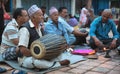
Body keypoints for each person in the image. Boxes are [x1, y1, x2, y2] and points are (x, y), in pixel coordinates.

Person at [18, 5, 70, 69]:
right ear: (33, 17)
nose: (42, 17)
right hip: (27, 58)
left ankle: (50, 63)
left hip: (40, 56)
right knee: (37, 62)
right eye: (40, 15)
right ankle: (58, 64)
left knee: (59, 54)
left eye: (42, 15)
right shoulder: (25, 29)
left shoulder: (40, 28)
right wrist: (38, 55)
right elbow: (23, 50)